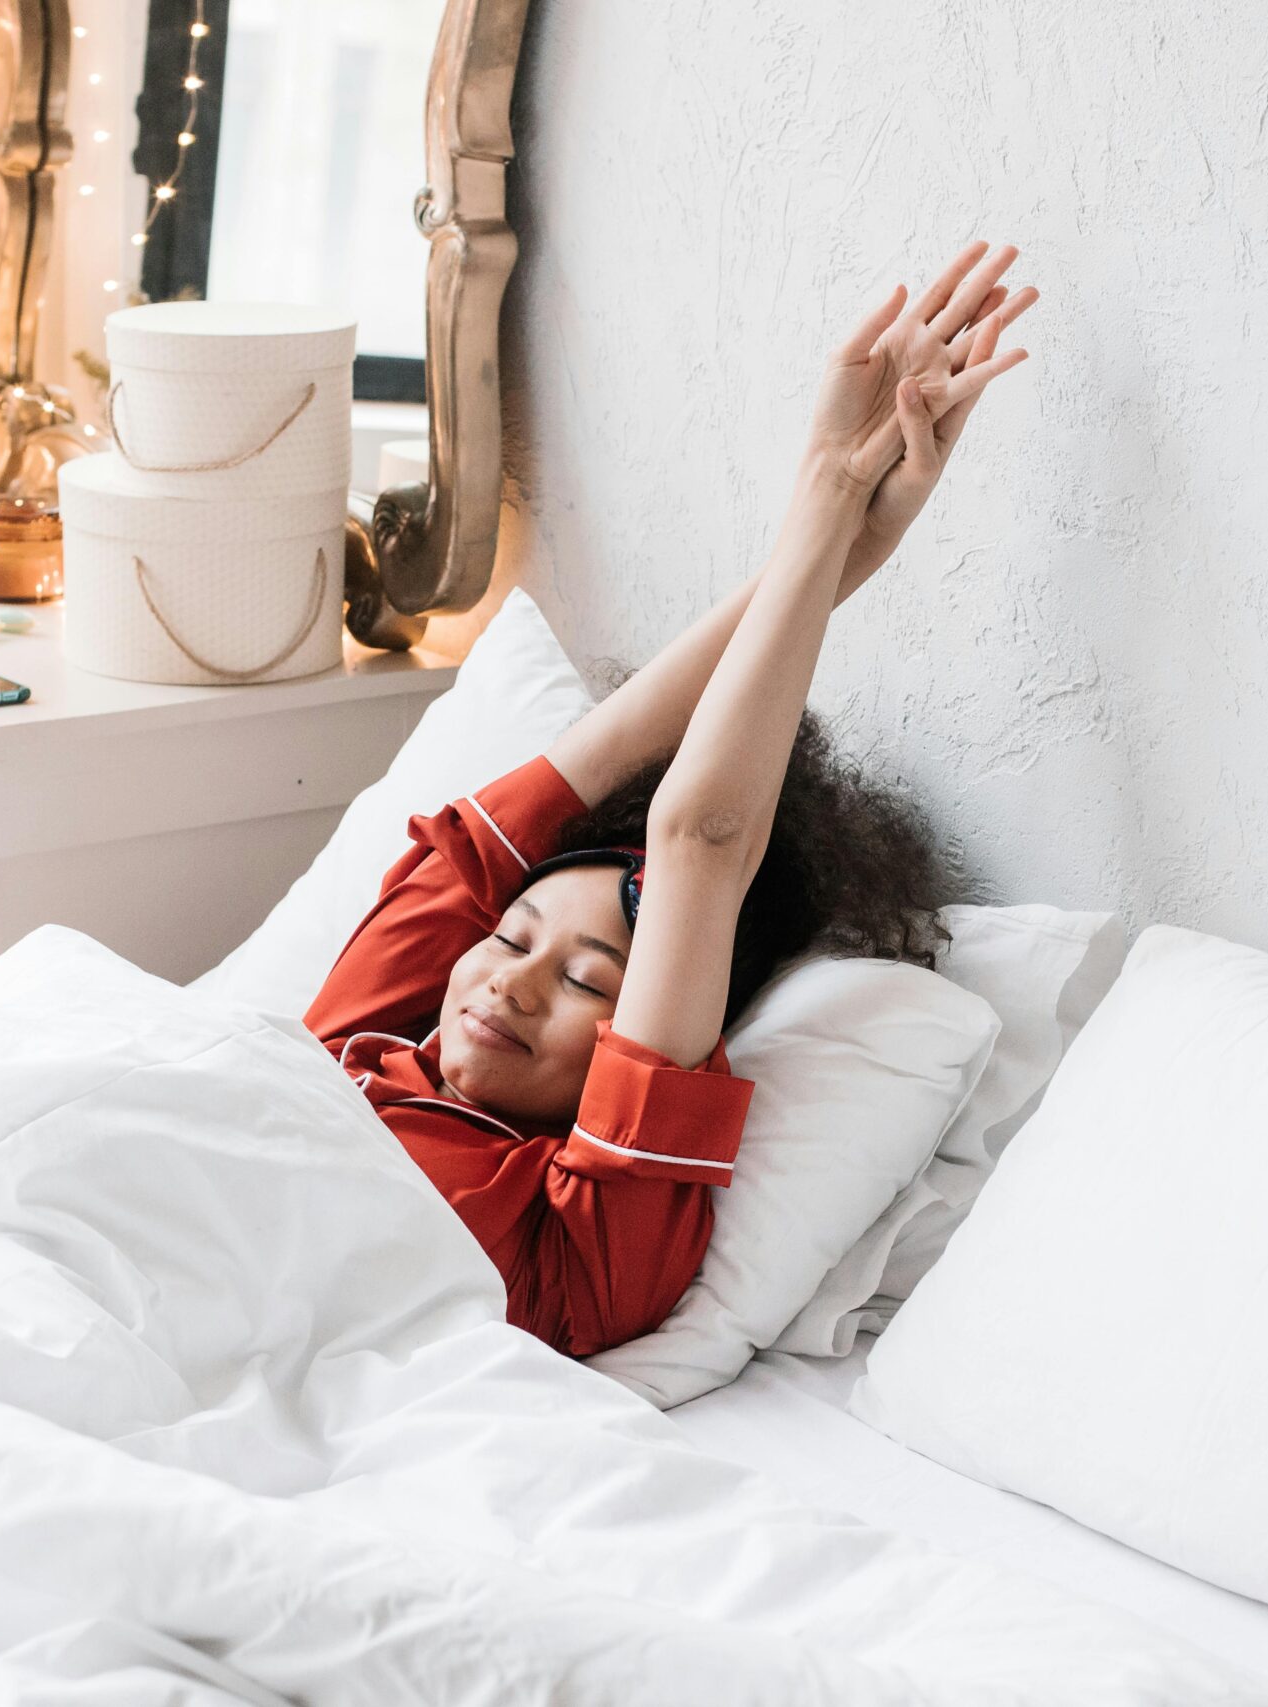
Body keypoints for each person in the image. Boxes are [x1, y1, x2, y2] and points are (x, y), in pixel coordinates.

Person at [305, 241, 1038, 1356]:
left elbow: (701, 837)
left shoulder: (584, 1242)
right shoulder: (354, 1040)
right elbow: (577, 777)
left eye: (591, 981)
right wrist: (827, 537)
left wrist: (834, 492)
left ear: (650, 1042)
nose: (511, 982)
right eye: (510, 936)